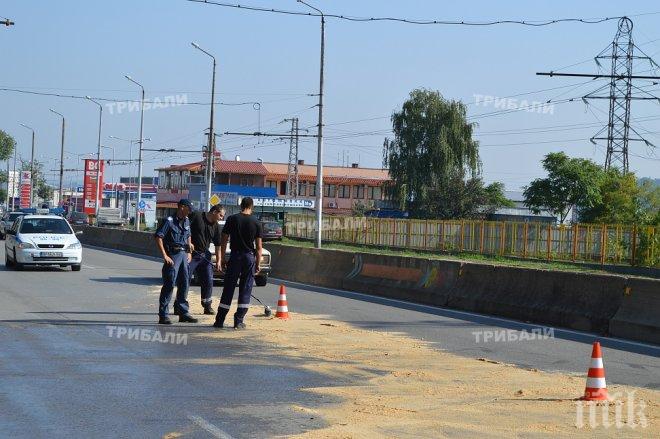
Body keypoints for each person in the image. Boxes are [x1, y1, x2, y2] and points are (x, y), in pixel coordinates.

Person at [214, 197, 262, 329]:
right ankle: (239, 321)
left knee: (228, 288)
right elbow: (258, 247)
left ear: (241, 205)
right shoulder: (256, 222)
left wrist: (222, 258)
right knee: (245, 289)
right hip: (248, 258)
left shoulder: (232, 219)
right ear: (251, 206)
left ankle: (220, 320)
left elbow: (224, 239)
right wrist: (258, 263)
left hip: (235, 257)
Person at [154, 199, 198, 325]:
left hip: (184, 255)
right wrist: (164, 255)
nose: (189, 212)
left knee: (185, 283)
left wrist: (189, 247)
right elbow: (158, 237)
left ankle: (183, 312)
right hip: (173, 255)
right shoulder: (169, 221)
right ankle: (164, 315)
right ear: (182, 207)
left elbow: (188, 234)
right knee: (169, 284)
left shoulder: (187, 220)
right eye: (188, 209)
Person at [185, 203, 225, 315]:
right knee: (185, 278)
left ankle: (207, 305)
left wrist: (218, 261)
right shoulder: (196, 216)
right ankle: (180, 304)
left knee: (208, 279)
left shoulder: (216, 226)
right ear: (215, 212)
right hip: (191, 253)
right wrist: (188, 243)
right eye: (221, 215)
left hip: (205, 255)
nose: (221, 218)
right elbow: (185, 228)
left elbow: (218, 245)